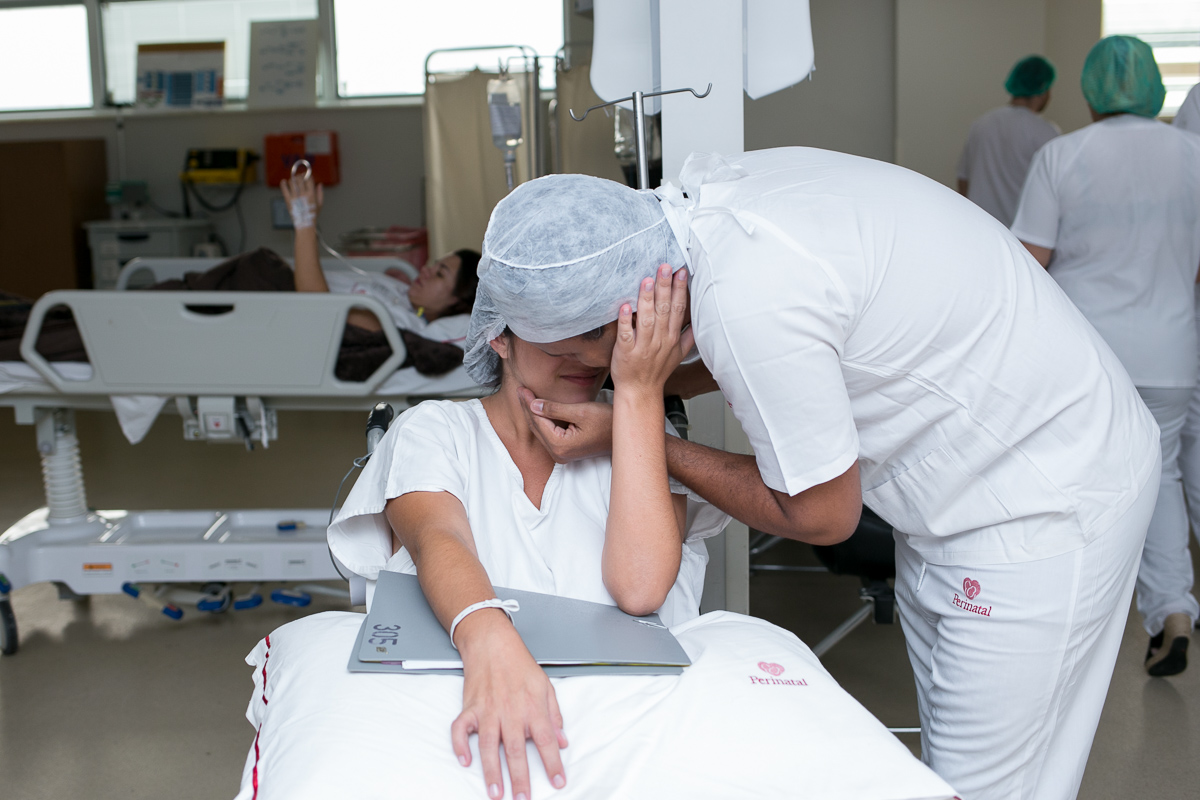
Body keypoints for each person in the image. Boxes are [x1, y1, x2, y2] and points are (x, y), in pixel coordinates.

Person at [467, 148, 1160, 800]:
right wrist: (636, 392)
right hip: (956, 489)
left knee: (979, 788)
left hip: (1042, 500)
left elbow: (823, 516)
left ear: (627, 324)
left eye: (576, 361)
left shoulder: (751, 296)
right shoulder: (696, 220)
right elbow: (775, 349)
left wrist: (632, 424)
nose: (574, 381)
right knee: (945, 762)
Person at [327, 270, 728, 800]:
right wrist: (491, 642)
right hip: (465, 689)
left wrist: (638, 396)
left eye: (601, 331)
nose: (587, 355)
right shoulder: (435, 430)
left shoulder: (644, 434)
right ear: (500, 335)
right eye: (559, 332)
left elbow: (640, 590)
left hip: (631, 717)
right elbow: (438, 540)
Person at [1012, 35, 1200, 677]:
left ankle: (1076, 625)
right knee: (1164, 477)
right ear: (1154, 88)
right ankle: (1173, 608)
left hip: (1088, 358)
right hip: (1173, 353)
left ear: (1091, 91)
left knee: (1079, 483)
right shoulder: (1193, 156)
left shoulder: (1062, 154)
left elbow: (1028, 264)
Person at [280, 172, 480, 346]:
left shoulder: (405, 327)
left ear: (456, 301)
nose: (426, 269)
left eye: (439, 274)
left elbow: (318, 309)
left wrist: (305, 221)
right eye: (435, 264)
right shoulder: (402, 292)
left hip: (276, 300)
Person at [957, 55, 1060, 227]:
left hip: (980, 227)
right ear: (1043, 90)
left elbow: (963, 181)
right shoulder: (1046, 132)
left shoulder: (981, 124)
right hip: (1022, 234)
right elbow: (1056, 193)